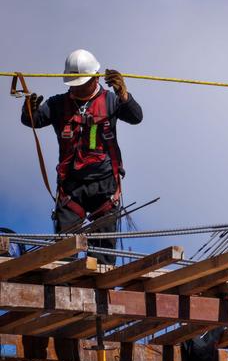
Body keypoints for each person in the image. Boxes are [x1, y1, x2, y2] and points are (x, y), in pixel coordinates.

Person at [20, 49, 143, 265]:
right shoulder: (58, 104)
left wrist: (124, 95)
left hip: (104, 187)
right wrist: (28, 112)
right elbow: (33, 121)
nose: (76, 87)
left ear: (95, 78)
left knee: (103, 260)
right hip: (71, 188)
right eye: (73, 83)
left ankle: (100, 293)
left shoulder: (110, 101)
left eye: (80, 83)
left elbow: (136, 117)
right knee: (63, 254)